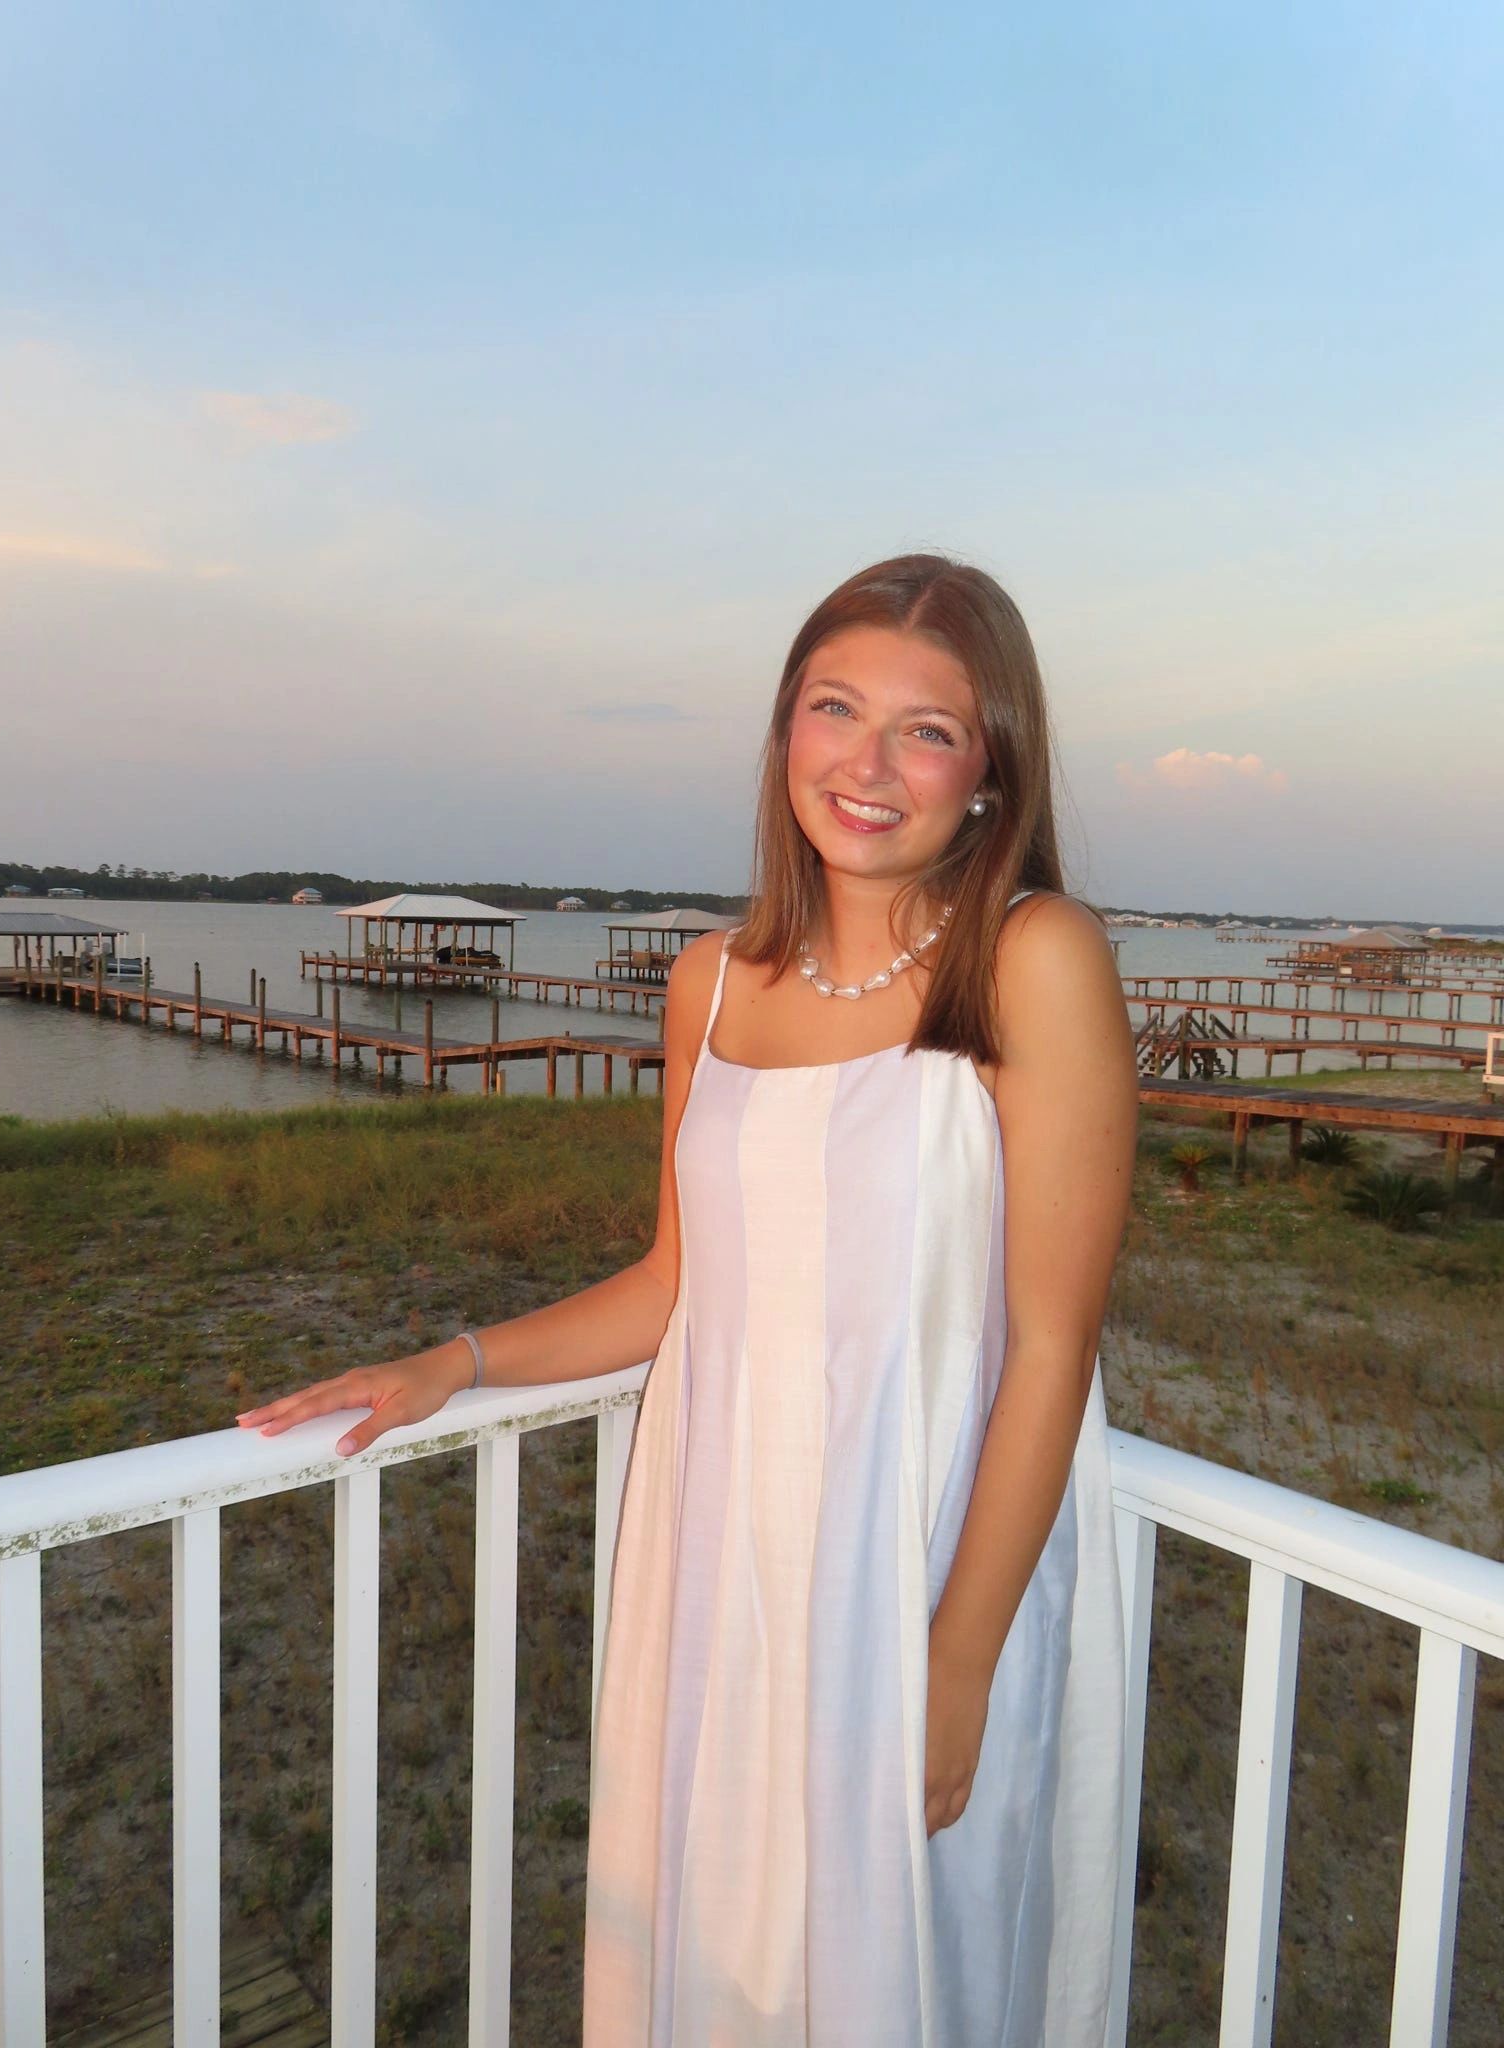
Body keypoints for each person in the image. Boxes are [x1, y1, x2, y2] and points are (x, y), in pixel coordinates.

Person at [236, 551, 1138, 2045]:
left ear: (991, 770)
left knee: (905, 1967)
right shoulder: (710, 980)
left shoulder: (1035, 957)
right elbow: (676, 1285)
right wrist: (452, 1363)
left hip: (922, 1552)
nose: (867, 764)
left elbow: (1052, 1347)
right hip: (725, 1549)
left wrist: (959, 1659)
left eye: (925, 729)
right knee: (723, 1942)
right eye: (835, 709)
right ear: (785, 731)